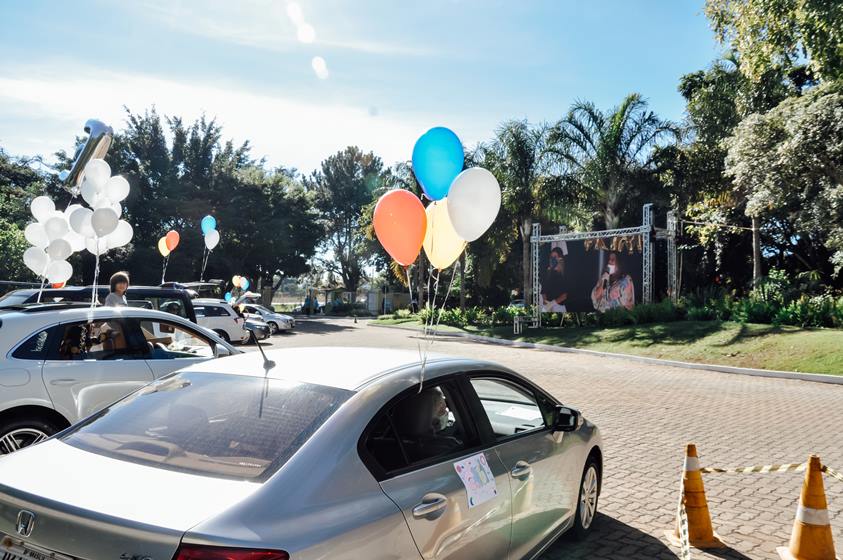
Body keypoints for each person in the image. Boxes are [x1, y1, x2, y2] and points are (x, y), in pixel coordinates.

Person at [541, 247, 568, 313]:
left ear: (560, 258)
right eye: (551, 256)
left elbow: (565, 295)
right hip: (547, 307)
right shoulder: (548, 272)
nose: (553, 258)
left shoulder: (565, 273)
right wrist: (545, 301)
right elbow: (543, 289)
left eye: (555, 256)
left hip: (559, 306)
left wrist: (552, 303)